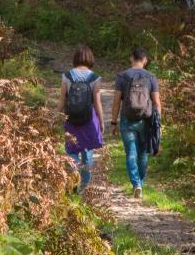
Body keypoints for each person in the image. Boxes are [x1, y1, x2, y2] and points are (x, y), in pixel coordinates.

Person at [110, 46, 161, 199]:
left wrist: (113, 122)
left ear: (131, 58)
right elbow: (157, 103)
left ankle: (136, 183)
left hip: (127, 119)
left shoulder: (122, 76)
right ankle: (141, 183)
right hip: (146, 120)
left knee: (130, 153)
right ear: (145, 60)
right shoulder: (151, 77)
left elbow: (116, 102)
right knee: (143, 153)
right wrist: (158, 125)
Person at [60, 45, 105, 192]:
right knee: (87, 154)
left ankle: (73, 183)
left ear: (75, 58)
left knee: (71, 152)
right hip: (89, 121)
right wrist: (102, 122)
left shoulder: (67, 76)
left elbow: (62, 100)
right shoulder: (94, 77)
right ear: (90, 59)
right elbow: (97, 102)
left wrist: (56, 117)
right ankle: (83, 188)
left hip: (71, 119)